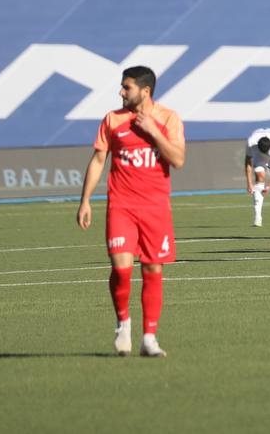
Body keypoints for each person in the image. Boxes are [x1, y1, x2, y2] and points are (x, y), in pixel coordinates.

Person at [76, 65, 186, 357]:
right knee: (121, 269)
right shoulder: (113, 120)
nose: (121, 92)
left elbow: (178, 159)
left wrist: (153, 132)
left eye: (127, 87)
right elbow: (99, 160)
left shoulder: (168, 118)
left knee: (152, 268)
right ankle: (123, 322)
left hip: (156, 208)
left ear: (145, 91)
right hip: (121, 205)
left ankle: (149, 338)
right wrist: (85, 200)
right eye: (122, 87)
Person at [244, 126, 270, 227]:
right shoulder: (251, 143)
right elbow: (248, 163)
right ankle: (257, 218)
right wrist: (249, 184)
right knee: (259, 178)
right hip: (258, 156)